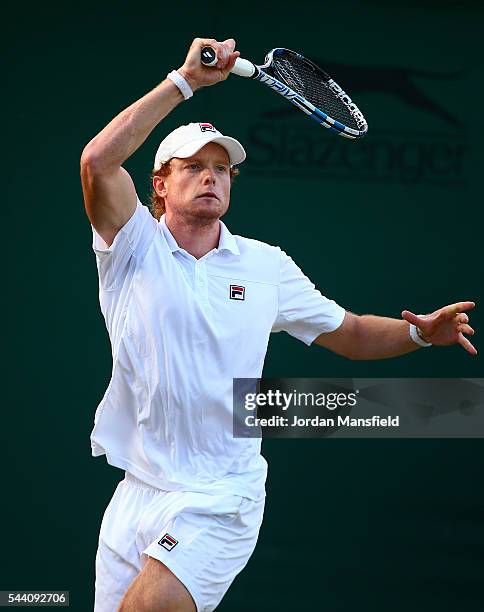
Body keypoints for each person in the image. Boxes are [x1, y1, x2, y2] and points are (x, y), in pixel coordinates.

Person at [80, 37, 477, 612]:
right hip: (138, 493)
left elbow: (352, 333)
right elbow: (97, 161)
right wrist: (184, 82)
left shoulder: (267, 266)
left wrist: (419, 333)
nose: (212, 176)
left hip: (221, 497)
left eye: (223, 168)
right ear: (160, 184)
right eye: (193, 166)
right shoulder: (132, 243)